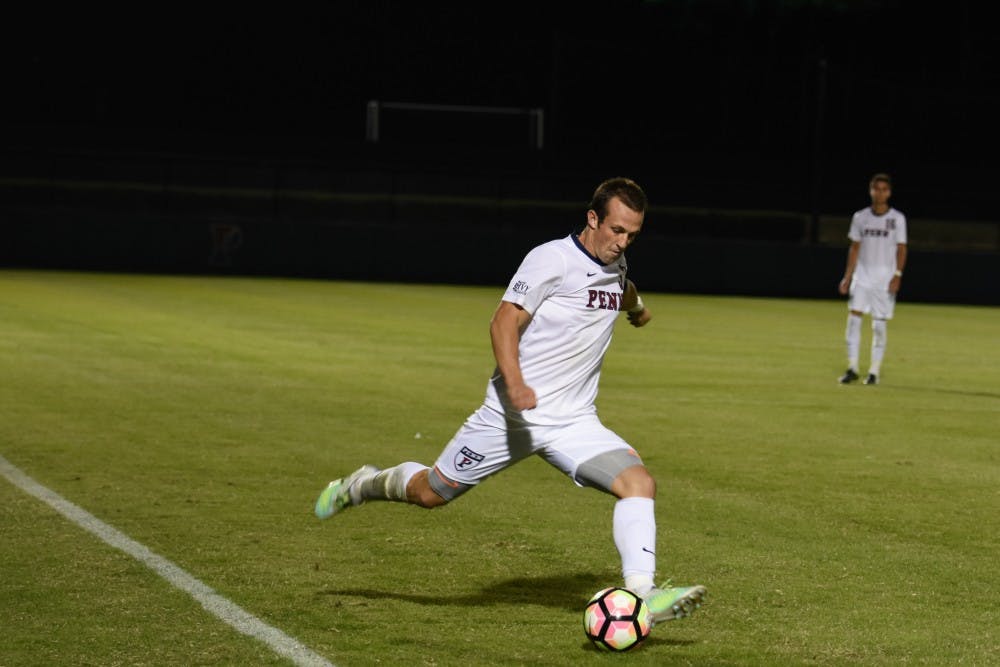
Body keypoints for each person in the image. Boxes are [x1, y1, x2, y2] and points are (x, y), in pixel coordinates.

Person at [314, 177, 706, 625]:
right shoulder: (550, 259)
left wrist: (638, 310)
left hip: (574, 422)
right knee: (432, 493)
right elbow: (502, 323)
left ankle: (643, 594)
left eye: (632, 235)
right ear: (592, 218)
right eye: (616, 230)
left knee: (639, 484)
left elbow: (622, 287)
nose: (622, 242)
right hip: (510, 418)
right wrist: (516, 386)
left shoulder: (614, 263)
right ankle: (365, 484)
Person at [837, 173, 908, 385]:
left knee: (878, 325)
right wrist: (847, 277)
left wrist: (897, 275)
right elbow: (855, 247)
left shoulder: (897, 219)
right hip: (862, 277)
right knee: (853, 319)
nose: (880, 193)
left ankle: (874, 371)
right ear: (871, 191)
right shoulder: (860, 217)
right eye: (876, 189)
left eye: (884, 189)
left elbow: (902, 248)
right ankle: (852, 367)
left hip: (884, 280)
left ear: (889, 192)